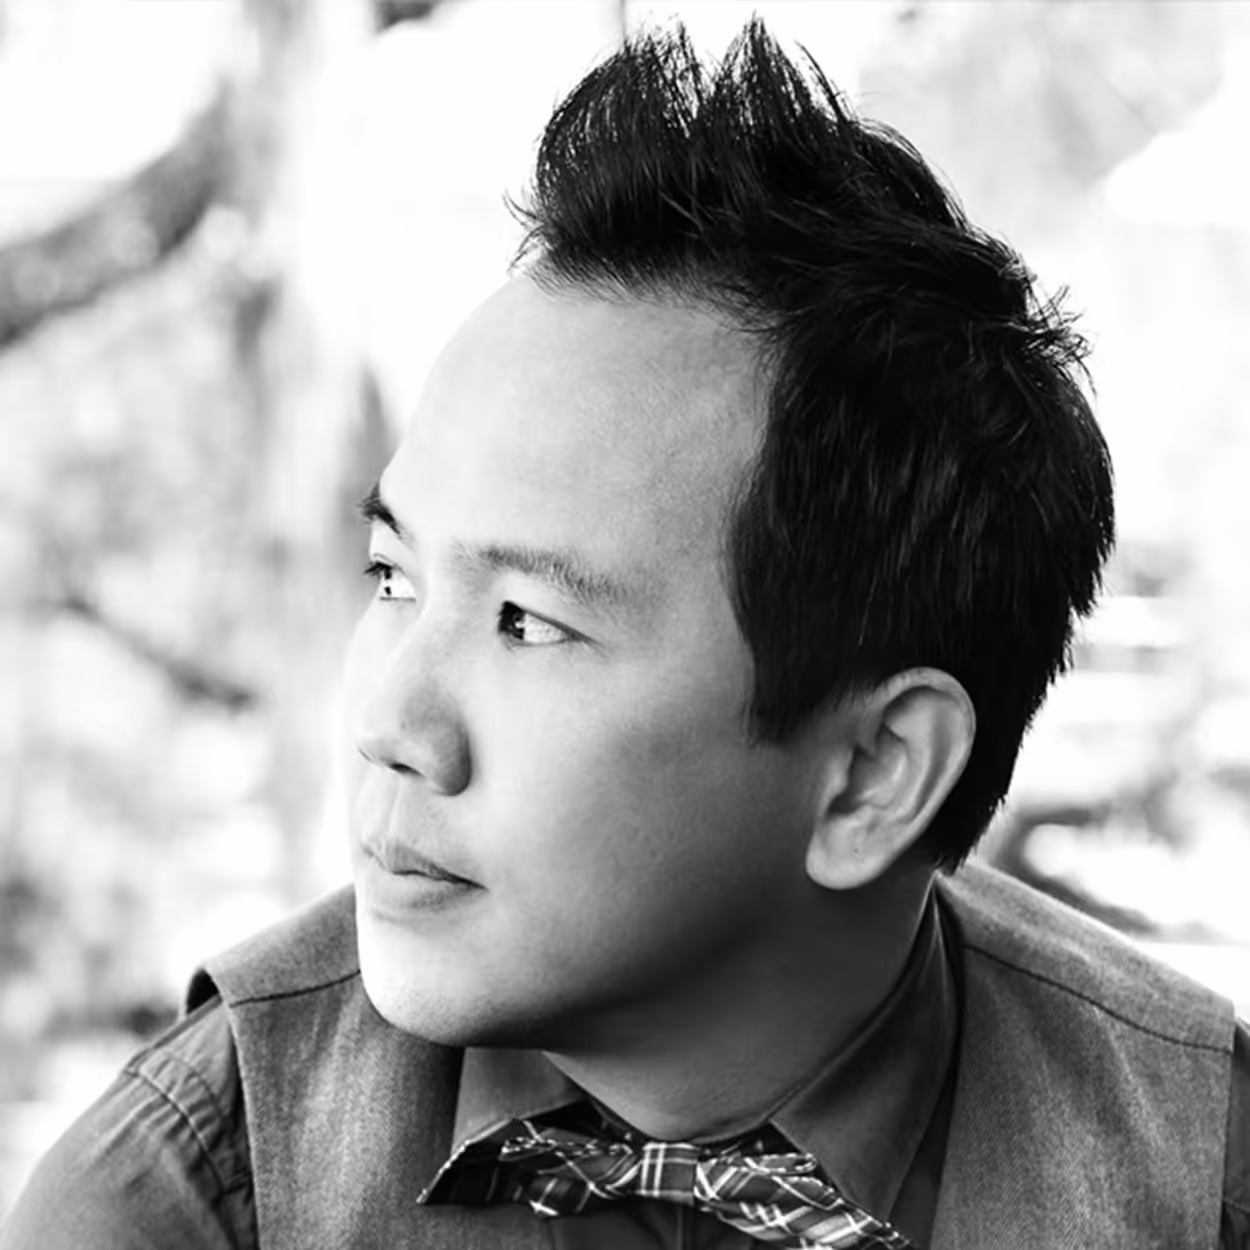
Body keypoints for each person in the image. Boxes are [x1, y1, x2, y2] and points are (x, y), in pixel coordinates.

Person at [3, 18, 1246, 1250]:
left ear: (872, 773)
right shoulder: (191, 1195)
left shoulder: (1202, 1179)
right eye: (392, 576)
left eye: (525, 622)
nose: (388, 723)